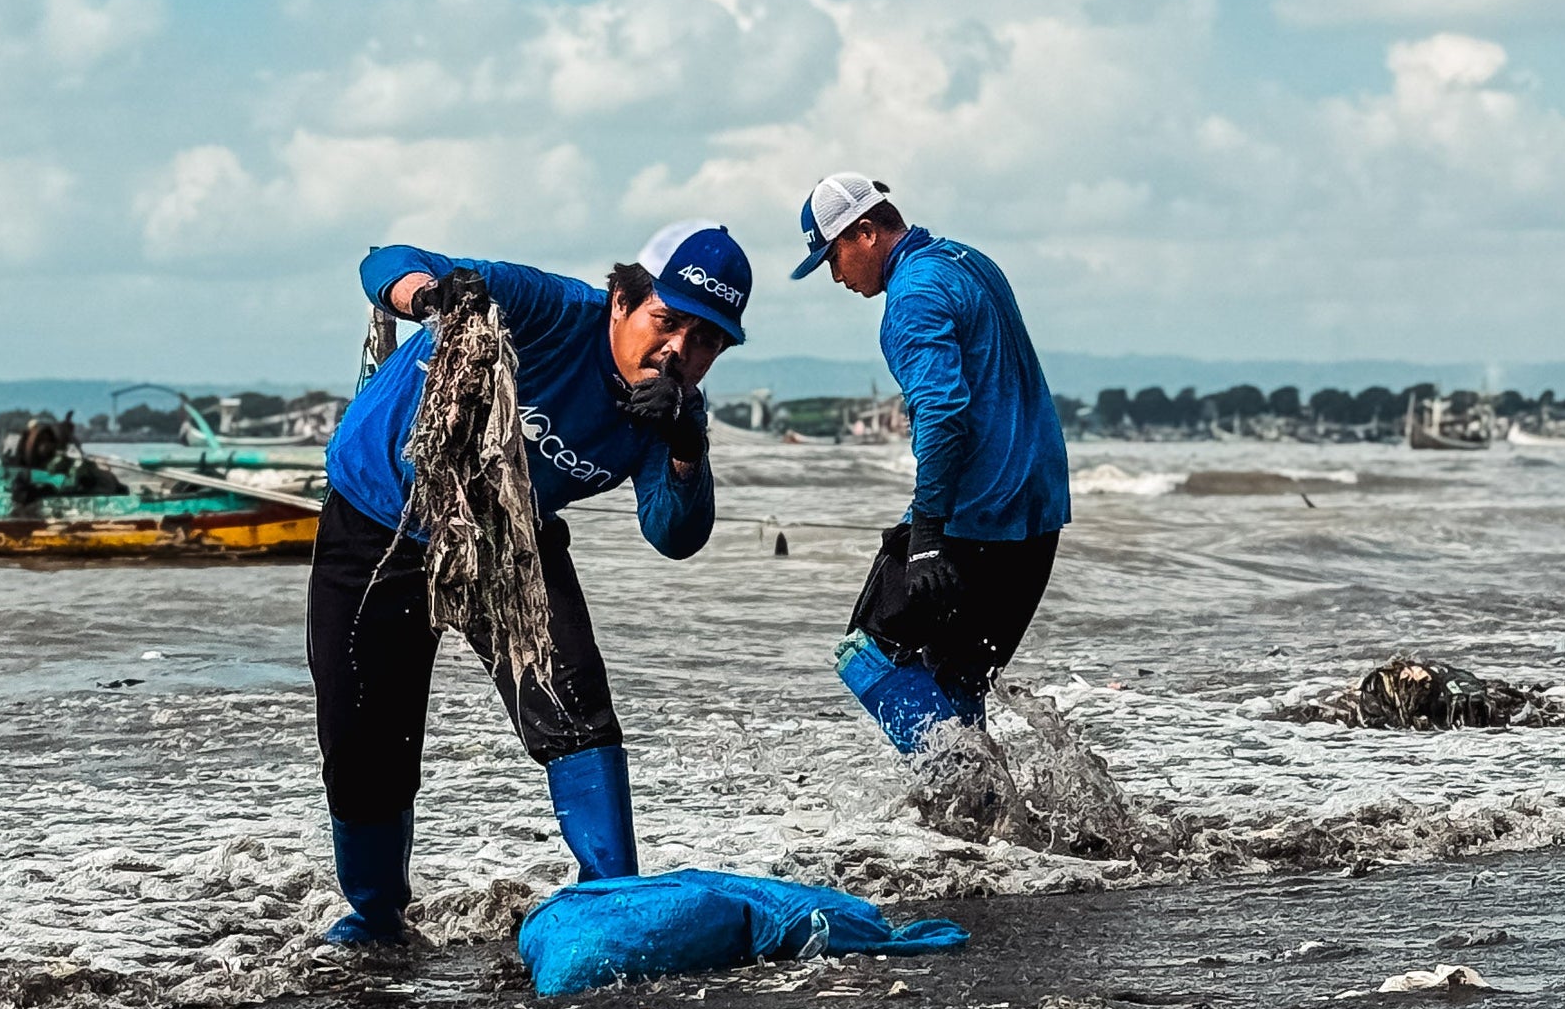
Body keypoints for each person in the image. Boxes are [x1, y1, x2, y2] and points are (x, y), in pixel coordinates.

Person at [308, 218, 752, 946]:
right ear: (620, 301)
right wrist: (433, 296)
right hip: (377, 514)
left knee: (575, 707)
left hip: (512, 530)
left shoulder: (663, 411)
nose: (678, 350)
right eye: (667, 321)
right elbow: (384, 261)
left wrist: (685, 443)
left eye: (705, 341)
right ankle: (376, 920)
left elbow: (674, 535)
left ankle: (612, 903)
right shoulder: (545, 310)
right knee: (364, 745)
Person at [791, 172, 1067, 753]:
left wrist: (925, 537)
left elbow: (943, 416)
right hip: (1037, 511)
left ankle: (963, 793)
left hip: (980, 515)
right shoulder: (971, 261)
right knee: (956, 672)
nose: (837, 276)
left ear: (864, 233)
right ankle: (983, 825)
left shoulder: (912, 296)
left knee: (863, 652)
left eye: (833, 257)